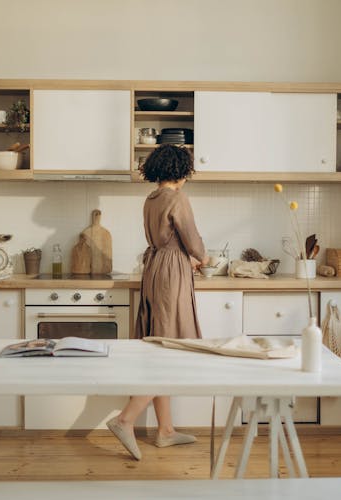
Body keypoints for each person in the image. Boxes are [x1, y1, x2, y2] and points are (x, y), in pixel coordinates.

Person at [107, 144, 208, 461]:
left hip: (154, 270)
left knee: (160, 349)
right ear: (181, 171)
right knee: (173, 349)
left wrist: (181, 256)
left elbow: (164, 239)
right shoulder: (177, 197)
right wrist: (203, 258)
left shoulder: (151, 198)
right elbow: (191, 239)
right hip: (171, 275)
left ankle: (165, 431)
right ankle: (125, 419)